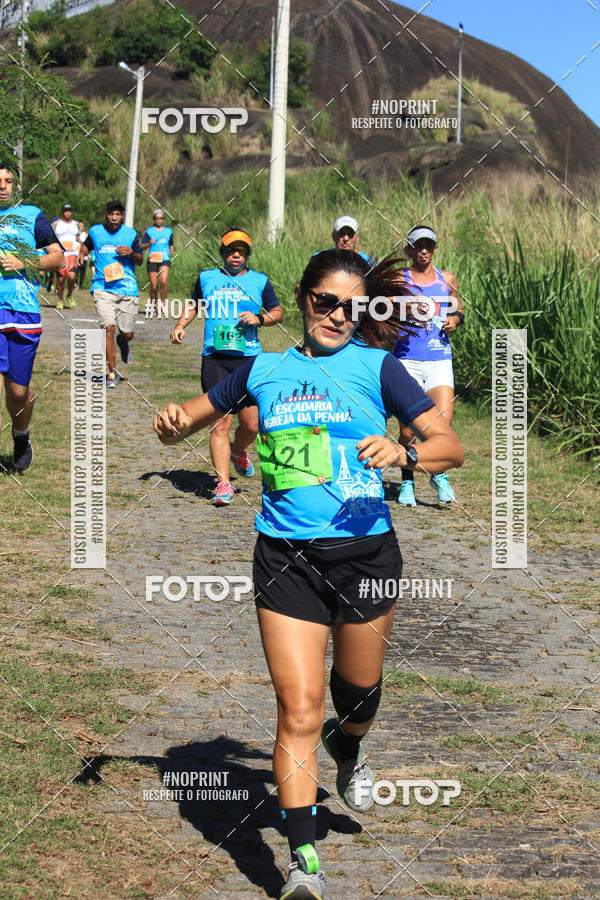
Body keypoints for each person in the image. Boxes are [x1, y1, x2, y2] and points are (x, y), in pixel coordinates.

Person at [154, 249, 464, 898]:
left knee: (357, 699)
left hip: (367, 558)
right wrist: (169, 425)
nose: (337, 316)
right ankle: (303, 866)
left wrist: (405, 453)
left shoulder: (377, 367)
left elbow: (449, 447)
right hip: (285, 560)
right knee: (297, 709)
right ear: (302, 298)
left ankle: (348, 746)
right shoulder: (262, 369)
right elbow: (187, 419)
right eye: (325, 301)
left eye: (352, 307)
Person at [169, 227, 283, 505]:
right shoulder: (207, 278)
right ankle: (222, 483)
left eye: (241, 251)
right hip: (215, 358)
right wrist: (181, 324)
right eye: (231, 250)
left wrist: (259, 319)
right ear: (222, 253)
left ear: (247, 255)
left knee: (253, 424)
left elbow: (277, 312)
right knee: (219, 421)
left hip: (249, 360)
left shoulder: (260, 281)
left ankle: (237, 451)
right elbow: (195, 304)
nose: (236, 255)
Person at [0, 161, 65, 470]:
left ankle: (21, 434)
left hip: (24, 312)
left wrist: (23, 260)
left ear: (17, 186)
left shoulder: (32, 216)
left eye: (9, 181)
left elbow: (59, 257)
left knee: (18, 392)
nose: (3, 186)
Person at [394, 225, 464, 506]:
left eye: (428, 245)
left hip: (439, 358)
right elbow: (382, 308)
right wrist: (403, 308)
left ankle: (438, 476)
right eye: (417, 246)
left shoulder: (447, 279)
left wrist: (455, 320)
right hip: (407, 359)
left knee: (442, 426)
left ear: (436, 248)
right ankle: (407, 483)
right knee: (409, 430)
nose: (423, 250)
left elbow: (458, 308)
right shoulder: (400, 278)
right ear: (409, 250)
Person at [78, 200, 142, 388]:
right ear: (105, 214)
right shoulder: (96, 231)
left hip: (127, 289)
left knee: (126, 333)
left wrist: (131, 252)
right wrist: (82, 254)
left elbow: (139, 260)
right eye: (111, 214)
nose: (115, 218)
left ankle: (123, 343)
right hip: (102, 287)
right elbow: (86, 245)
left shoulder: (130, 234)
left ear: (121, 216)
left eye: (118, 214)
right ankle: (111, 374)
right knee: (108, 328)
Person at [141, 209, 174, 316]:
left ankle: (163, 304)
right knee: (154, 286)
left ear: (163, 219)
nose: (159, 220)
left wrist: (171, 248)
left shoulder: (169, 231)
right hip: (152, 260)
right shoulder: (149, 231)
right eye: (157, 218)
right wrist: (148, 244)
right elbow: (142, 246)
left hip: (164, 259)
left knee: (163, 281)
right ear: (154, 219)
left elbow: (171, 243)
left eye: (161, 218)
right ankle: (153, 307)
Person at [53, 203, 79, 309]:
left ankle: (69, 295)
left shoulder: (76, 224)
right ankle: (60, 300)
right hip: (60, 255)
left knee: (72, 276)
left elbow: (79, 239)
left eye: (69, 211)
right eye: (65, 211)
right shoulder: (56, 224)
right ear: (63, 212)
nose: (67, 213)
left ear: (71, 212)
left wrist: (78, 254)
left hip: (71, 254)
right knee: (60, 280)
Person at [76, 222, 88, 288]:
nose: (81, 226)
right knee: (76, 271)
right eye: (80, 225)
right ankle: (75, 284)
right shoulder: (75, 234)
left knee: (82, 272)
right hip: (76, 254)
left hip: (84, 256)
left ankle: (80, 284)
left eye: (82, 225)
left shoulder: (85, 234)